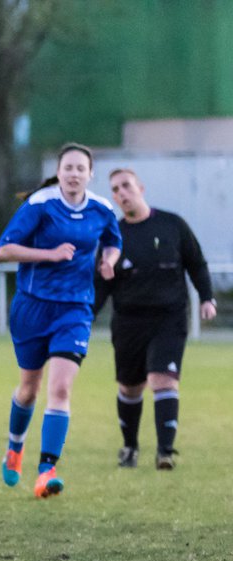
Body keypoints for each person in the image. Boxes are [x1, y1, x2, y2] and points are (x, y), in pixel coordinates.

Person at [0, 143, 122, 499]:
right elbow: (4, 250)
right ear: (59, 170)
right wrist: (49, 254)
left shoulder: (101, 209)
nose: (74, 174)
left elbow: (114, 241)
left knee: (61, 388)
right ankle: (14, 447)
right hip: (32, 308)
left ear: (90, 173)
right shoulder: (40, 205)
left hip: (75, 310)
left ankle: (46, 470)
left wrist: (109, 260)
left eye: (81, 168)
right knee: (29, 389)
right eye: (68, 167)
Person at [95, 167, 217, 470]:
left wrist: (206, 298)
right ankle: (130, 447)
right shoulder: (113, 237)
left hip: (169, 319)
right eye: (115, 189)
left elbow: (196, 264)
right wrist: (84, 318)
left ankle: (165, 451)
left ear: (141, 187)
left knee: (163, 379)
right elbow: (100, 286)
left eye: (126, 186)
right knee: (129, 387)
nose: (121, 193)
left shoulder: (172, 225)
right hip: (128, 323)